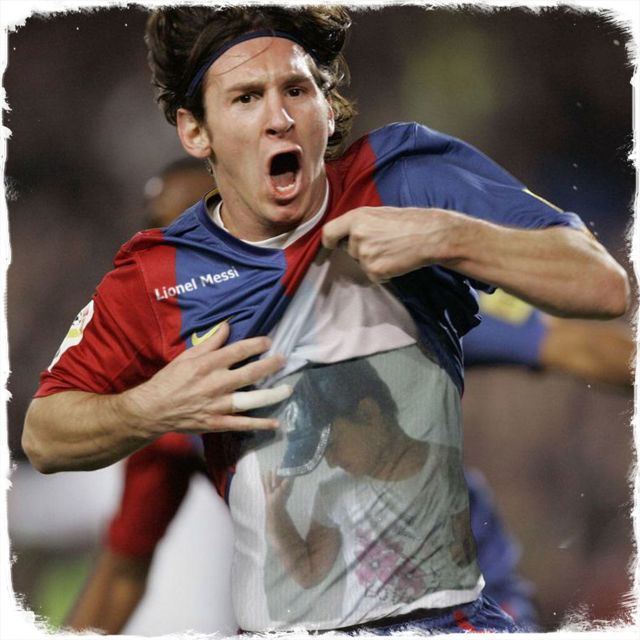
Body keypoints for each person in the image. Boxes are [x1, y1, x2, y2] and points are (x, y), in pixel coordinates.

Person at [22, 6, 629, 635]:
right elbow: (45, 436)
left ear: (328, 108)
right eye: (246, 98)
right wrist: (151, 407)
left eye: (296, 89)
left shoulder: (400, 185)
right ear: (196, 133)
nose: (279, 118)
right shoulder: (158, 279)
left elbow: (602, 287)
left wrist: (446, 234)